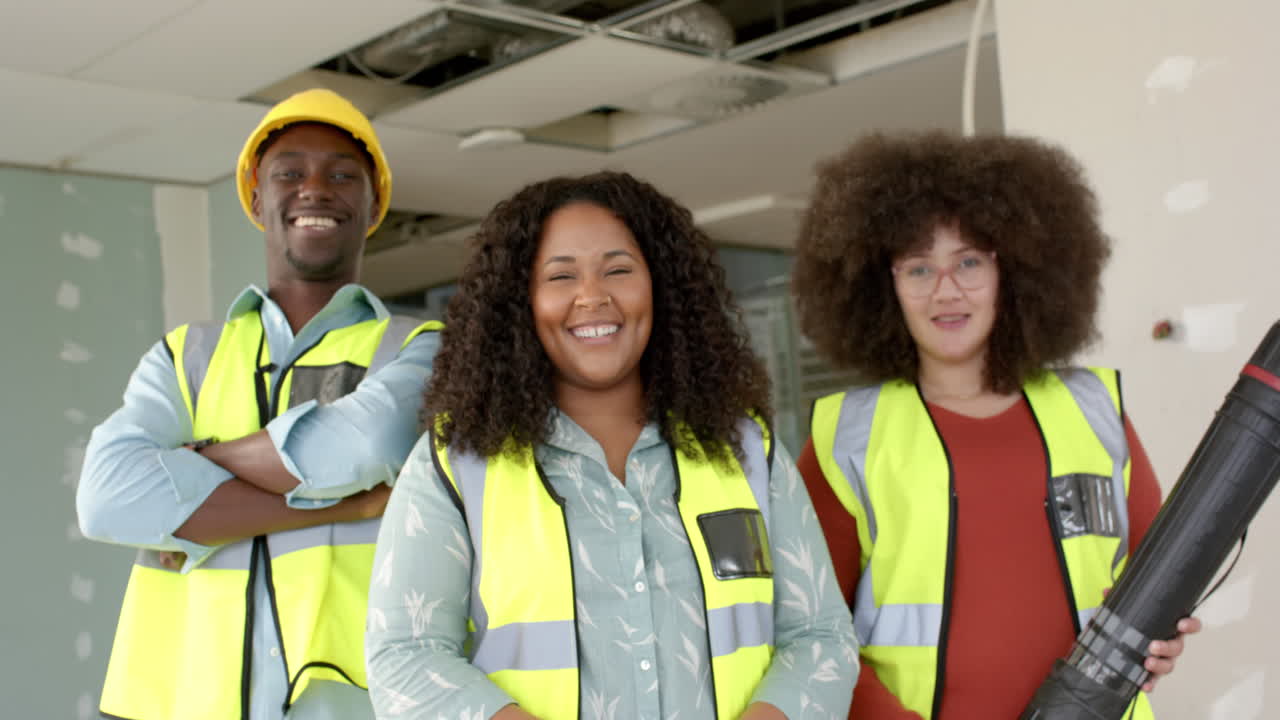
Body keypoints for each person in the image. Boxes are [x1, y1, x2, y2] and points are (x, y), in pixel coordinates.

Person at [365, 171, 858, 720]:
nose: (592, 296)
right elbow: (405, 657)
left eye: (618, 270)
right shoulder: (456, 461)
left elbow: (820, 636)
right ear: (520, 301)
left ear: (660, 286)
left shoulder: (746, 448)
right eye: (560, 276)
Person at [789, 132, 1201, 720]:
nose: (945, 290)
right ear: (885, 287)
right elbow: (811, 630)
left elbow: (1161, 576)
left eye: (969, 261)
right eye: (918, 268)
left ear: (1016, 271)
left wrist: (1164, 636)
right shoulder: (846, 435)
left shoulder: (1095, 411)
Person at [76, 88, 442, 720]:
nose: (315, 189)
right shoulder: (185, 356)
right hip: (180, 703)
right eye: (289, 173)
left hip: (344, 703)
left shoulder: (418, 348)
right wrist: (349, 504)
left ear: (375, 202)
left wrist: (194, 462)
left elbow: (359, 446)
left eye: (342, 175)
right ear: (254, 198)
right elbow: (107, 496)